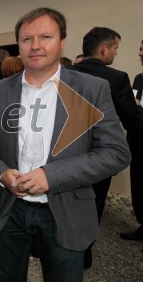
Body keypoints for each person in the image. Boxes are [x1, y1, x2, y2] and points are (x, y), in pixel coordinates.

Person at [0, 7, 130, 281]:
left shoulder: (90, 89)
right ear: (19, 46)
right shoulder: (0, 90)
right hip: (9, 210)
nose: (35, 45)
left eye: (45, 37)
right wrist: (1, 173)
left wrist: (52, 176)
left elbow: (117, 153)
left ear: (62, 42)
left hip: (65, 211)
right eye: (26, 39)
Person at [69, 28, 143, 263]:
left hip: (64, 149)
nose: (115, 53)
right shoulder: (116, 77)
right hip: (98, 152)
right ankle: (84, 251)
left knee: (66, 197)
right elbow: (132, 118)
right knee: (95, 200)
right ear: (104, 49)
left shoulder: (63, 72)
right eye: (115, 48)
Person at [119, 39, 143, 244]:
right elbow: (132, 111)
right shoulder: (139, 78)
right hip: (137, 140)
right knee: (138, 184)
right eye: (140, 48)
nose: (140, 53)